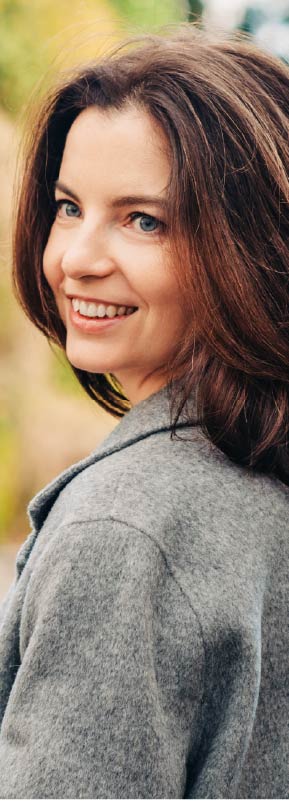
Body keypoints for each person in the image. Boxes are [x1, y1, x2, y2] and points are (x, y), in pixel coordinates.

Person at [0, 23, 288, 799]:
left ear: (246, 247)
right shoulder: (258, 477)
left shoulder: (125, 527)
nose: (77, 258)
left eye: (143, 219)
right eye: (67, 207)